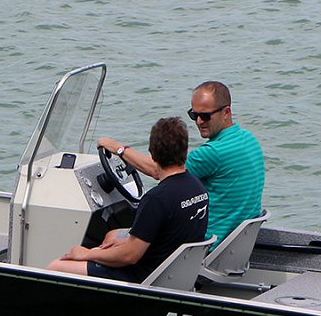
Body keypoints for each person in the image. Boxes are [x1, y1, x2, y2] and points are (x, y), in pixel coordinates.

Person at [96, 80, 265, 245]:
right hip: (235, 244)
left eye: (205, 116)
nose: (199, 121)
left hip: (207, 244)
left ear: (226, 112)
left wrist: (119, 149)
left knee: (111, 236)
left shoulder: (212, 152)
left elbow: (159, 169)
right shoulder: (249, 139)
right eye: (194, 115)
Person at [50, 117, 208, 283]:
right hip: (173, 272)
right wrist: (123, 244)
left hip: (143, 277)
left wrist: (88, 253)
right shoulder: (197, 187)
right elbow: (168, 235)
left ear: (153, 155)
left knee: (56, 266)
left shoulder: (156, 199)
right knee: (111, 241)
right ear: (185, 152)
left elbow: (130, 256)